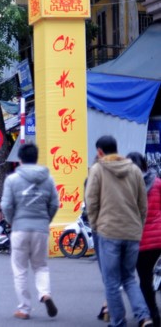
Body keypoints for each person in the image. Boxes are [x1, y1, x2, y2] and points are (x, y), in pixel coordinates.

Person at [85, 136, 153, 327]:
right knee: (129, 278)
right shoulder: (134, 170)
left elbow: (91, 202)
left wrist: (96, 226)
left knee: (112, 282)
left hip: (108, 233)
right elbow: (142, 204)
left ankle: (118, 322)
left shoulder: (98, 169)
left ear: (99, 151)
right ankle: (143, 317)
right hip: (131, 232)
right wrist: (138, 226)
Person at [1, 143, 59, 320]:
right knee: (40, 266)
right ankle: (44, 294)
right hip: (41, 229)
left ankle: (25, 309)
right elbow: (54, 204)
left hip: (20, 227)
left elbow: (6, 205)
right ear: (36, 157)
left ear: (19, 160)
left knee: (20, 270)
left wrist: (13, 221)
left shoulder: (12, 180)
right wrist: (45, 220)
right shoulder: (48, 179)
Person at [128, 152, 161, 327]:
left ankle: (152, 314)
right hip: (160, 238)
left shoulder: (128, 186)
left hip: (141, 241)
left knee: (144, 279)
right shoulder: (158, 183)